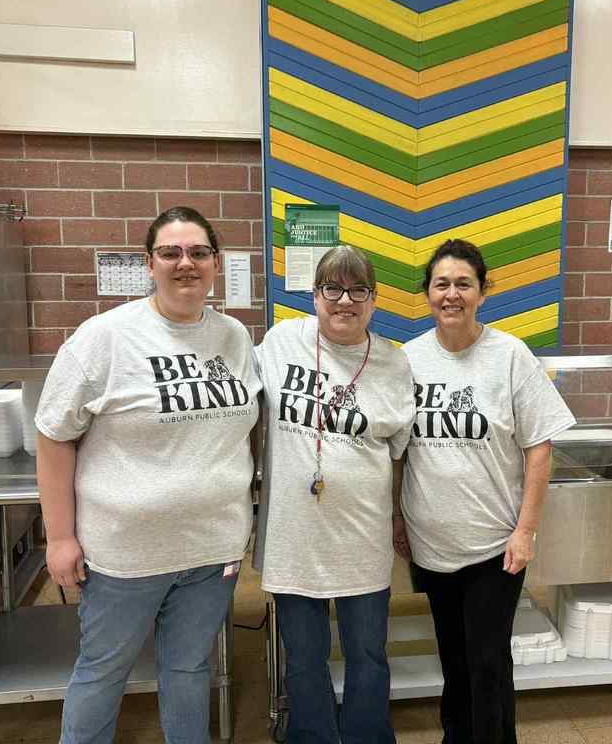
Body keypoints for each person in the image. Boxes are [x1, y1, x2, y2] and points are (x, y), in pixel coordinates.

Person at [35, 206, 261, 744]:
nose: (186, 263)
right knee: (102, 672)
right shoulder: (105, 337)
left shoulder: (234, 337)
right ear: (150, 263)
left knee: (188, 670)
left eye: (199, 252)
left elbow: (244, 429)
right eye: (171, 252)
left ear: (215, 262)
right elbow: (53, 434)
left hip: (212, 551)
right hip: (124, 556)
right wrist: (60, 536)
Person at [394, 239, 575, 744]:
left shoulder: (510, 355)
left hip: (495, 546)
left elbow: (540, 448)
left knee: (488, 662)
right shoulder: (408, 360)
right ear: (428, 294)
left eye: (463, 284)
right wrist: (397, 520)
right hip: (431, 543)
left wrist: (525, 531)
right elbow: (398, 454)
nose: (451, 294)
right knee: (454, 660)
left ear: (482, 291)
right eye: (441, 284)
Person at [253, 245, 415, 744]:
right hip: (293, 536)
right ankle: (312, 735)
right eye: (332, 289)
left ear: (374, 299)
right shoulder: (281, 342)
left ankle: (368, 736)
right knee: (303, 657)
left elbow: (401, 455)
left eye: (358, 290)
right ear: (314, 294)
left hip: (361, 538)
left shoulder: (393, 363)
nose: (345, 301)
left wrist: (398, 518)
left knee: (367, 653)